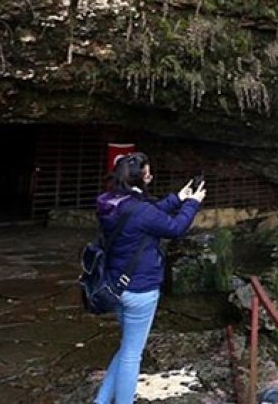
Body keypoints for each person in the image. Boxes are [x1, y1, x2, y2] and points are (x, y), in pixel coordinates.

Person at [93, 152, 205, 404]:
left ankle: (101, 401)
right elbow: (174, 228)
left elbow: (147, 214)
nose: (150, 175)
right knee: (132, 354)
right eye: (148, 172)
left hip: (116, 285)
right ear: (141, 177)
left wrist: (178, 198)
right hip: (140, 289)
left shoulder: (110, 202)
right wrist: (192, 203)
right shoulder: (139, 208)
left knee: (126, 348)